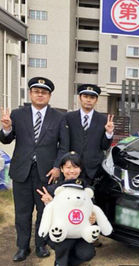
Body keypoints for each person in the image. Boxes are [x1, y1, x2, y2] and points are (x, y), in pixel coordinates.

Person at [0, 77, 69, 261]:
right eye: (36, 91)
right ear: (30, 93)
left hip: (47, 173)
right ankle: (22, 247)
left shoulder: (59, 117)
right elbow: (6, 139)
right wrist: (6, 128)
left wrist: (57, 167)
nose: (40, 95)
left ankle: (41, 244)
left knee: (44, 210)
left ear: (49, 95)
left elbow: (64, 146)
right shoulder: (17, 114)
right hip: (22, 171)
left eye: (44, 92)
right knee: (22, 212)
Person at [37, 151, 96, 266]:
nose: (72, 171)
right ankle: (60, 262)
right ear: (62, 169)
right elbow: (46, 217)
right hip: (59, 232)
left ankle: (69, 261)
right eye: (68, 167)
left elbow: (92, 211)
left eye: (75, 167)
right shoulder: (52, 190)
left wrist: (93, 219)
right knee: (64, 245)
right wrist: (50, 203)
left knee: (87, 254)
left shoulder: (87, 190)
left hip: (79, 233)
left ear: (80, 169)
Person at [64, 84, 114, 187]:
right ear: (80, 98)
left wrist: (109, 133)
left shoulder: (103, 119)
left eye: (92, 97)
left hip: (94, 170)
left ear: (96, 100)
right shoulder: (69, 118)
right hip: (72, 169)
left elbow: (104, 146)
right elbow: (64, 142)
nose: (88, 100)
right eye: (85, 97)